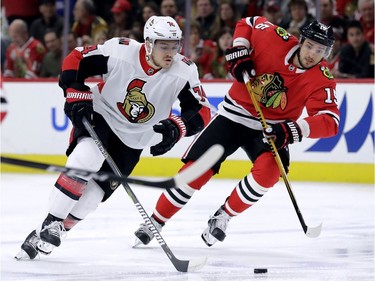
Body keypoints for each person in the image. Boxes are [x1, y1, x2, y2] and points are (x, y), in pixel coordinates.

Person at [15, 15, 211, 260]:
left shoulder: (185, 71)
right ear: (148, 43)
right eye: (164, 45)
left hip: (136, 139)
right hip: (102, 115)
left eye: (175, 45)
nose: (171, 52)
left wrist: (177, 127)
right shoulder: (121, 51)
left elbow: (202, 111)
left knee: (92, 198)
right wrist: (75, 90)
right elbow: (77, 57)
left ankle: (51, 231)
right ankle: (51, 223)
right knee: (86, 160)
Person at [133, 17, 340, 247]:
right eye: (309, 45)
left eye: (320, 50)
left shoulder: (323, 79)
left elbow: (330, 121)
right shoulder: (275, 38)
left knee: (270, 173)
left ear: (327, 53)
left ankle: (223, 216)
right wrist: (240, 49)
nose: (312, 54)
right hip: (234, 114)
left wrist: (292, 130)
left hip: (270, 128)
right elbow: (248, 22)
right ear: (301, 41)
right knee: (196, 170)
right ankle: (156, 221)